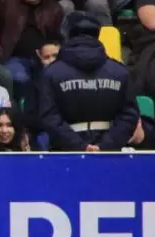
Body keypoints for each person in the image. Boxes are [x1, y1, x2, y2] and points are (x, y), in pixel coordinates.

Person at [38, 12, 137, 151]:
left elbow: (49, 117)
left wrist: (79, 146)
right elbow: (129, 115)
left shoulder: (51, 73)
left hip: (66, 152)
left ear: (67, 34)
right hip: (109, 152)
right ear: (98, 34)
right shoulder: (119, 71)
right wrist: (106, 145)